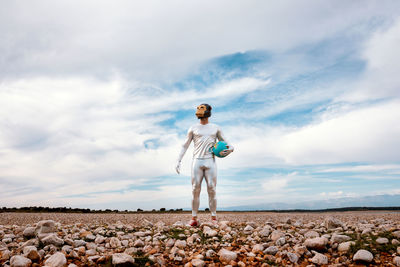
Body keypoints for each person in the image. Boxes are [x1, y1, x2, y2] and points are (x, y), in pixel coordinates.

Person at [175, 104, 234, 226]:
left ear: (208, 112)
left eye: (202, 109)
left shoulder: (215, 128)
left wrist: (230, 149)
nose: (199, 111)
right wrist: (178, 160)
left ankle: (213, 218)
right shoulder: (193, 128)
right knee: (195, 189)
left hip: (210, 161)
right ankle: (194, 218)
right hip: (197, 161)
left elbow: (229, 144)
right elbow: (185, 145)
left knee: (212, 188)